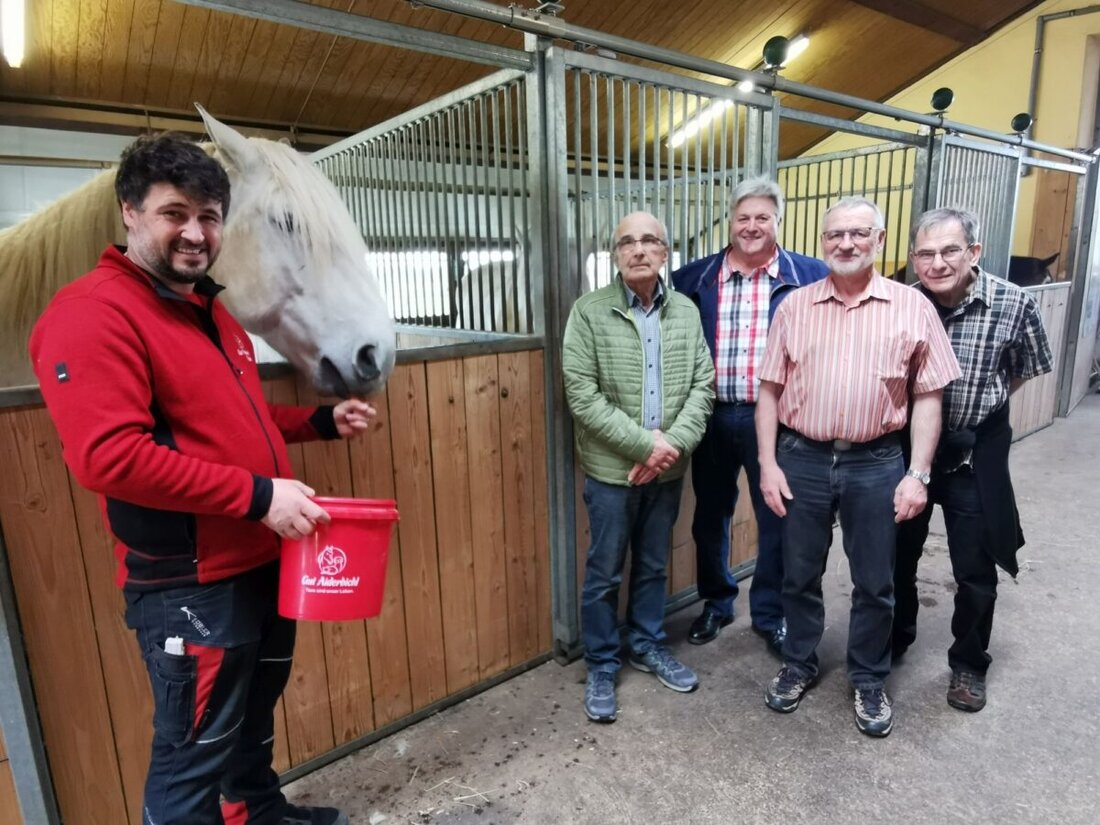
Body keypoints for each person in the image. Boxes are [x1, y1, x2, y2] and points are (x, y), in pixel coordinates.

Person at [29, 133, 371, 825]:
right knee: (192, 751)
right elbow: (109, 456)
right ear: (130, 212)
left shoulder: (209, 310)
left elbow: (231, 418)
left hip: (258, 558)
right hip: (190, 579)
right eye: (174, 213)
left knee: (249, 714)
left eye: (210, 215)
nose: (195, 232)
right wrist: (260, 496)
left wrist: (319, 424)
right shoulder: (91, 312)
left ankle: (259, 812)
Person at [755, 196, 961, 737]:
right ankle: (799, 662)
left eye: (857, 234)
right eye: (834, 235)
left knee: (876, 581)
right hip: (801, 458)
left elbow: (929, 395)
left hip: (877, 461)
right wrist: (767, 465)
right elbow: (770, 392)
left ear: (880, 240)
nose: (845, 244)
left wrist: (917, 473)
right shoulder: (793, 306)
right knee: (798, 574)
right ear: (823, 241)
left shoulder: (911, 307)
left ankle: (869, 678)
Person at [893, 207, 1053, 712]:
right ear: (913, 257)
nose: (936, 262)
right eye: (925, 252)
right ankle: (897, 635)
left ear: (973, 252)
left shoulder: (1013, 302)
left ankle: (968, 663)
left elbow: (1025, 368)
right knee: (897, 554)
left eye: (949, 250)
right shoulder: (903, 303)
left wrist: (980, 412)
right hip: (910, 451)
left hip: (974, 452)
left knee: (975, 569)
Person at [562, 210, 715, 723]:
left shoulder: (687, 313)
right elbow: (581, 395)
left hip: (667, 471)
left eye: (649, 240)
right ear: (615, 254)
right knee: (604, 572)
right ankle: (603, 662)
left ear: (665, 252)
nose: (638, 249)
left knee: (653, 564)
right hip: (612, 474)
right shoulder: (588, 312)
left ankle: (647, 644)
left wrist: (668, 447)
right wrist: (642, 447)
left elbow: (702, 387)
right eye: (626, 242)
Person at [672, 176, 828, 652]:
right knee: (709, 516)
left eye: (763, 217)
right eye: (744, 217)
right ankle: (717, 602)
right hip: (712, 415)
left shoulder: (811, 275)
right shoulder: (692, 278)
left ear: (778, 222)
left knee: (777, 516)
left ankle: (769, 612)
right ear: (730, 222)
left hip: (777, 422)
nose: (752, 226)